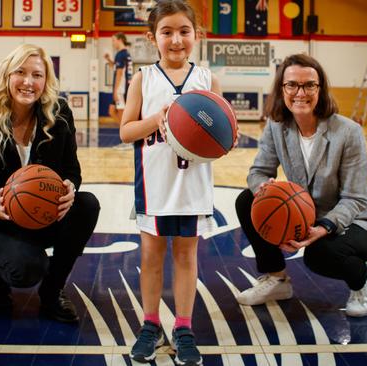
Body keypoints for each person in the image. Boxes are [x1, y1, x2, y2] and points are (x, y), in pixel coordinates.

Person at [0, 44, 100, 323]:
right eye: (20, 72)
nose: (28, 82)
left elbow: (72, 169)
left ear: (46, 82)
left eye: (37, 75)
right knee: (27, 268)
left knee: (87, 205)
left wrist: (70, 187)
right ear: (7, 77)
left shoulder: (58, 116)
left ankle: (52, 291)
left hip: (39, 216)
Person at [234, 54, 367, 318]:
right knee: (248, 201)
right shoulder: (277, 125)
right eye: (292, 85)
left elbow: (355, 197)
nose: (300, 93)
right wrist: (263, 188)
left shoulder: (348, 132)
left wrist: (324, 227)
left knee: (318, 256)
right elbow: (258, 172)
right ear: (282, 89)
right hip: (310, 213)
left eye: (309, 85)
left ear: (320, 89)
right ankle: (277, 280)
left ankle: (362, 280)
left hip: (357, 219)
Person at [119, 1, 223, 364]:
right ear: (152, 38)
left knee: (186, 255)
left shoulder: (207, 79)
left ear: (197, 35)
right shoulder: (142, 78)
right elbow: (126, 130)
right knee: (151, 256)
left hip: (193, 185)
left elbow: (220, 132)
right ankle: (150, 324)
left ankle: (183, 327)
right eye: (167, 32)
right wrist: (160, 118)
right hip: (155, 183)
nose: (176, 39)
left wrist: (226, 139)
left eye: (184, 31)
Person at [104, 32, 133, 124]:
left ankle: (126, 134)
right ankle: (124, 131)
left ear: (120, 40)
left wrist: (115, 91)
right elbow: (117, 68)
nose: (112, 43)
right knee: (111, 111)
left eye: (113, 40)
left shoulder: (121, 54)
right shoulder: (125, 53)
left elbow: (119, 74)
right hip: (123, 87)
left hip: (121, 89)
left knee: (121, 114)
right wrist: (108, 60)